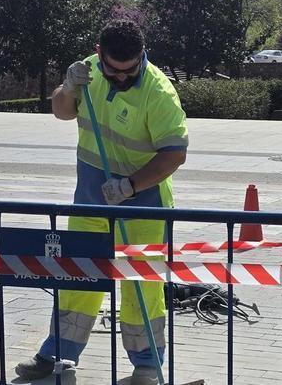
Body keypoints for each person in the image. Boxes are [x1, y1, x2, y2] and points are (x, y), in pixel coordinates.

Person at [15, 19, 188, 384]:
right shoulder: (87, 73)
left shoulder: (158, 91)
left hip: (145, 203)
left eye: (130, 70)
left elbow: (174, 154)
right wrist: (66, 88)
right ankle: (57, 354)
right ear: (99, 54)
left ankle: (146, 363)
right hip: (91, 202)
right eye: (114, 71)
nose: (123, 78)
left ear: (142, 56)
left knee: (142, 284)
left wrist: (129, 186)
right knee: (76, 276)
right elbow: (61, 111)